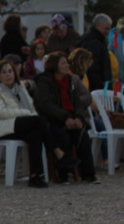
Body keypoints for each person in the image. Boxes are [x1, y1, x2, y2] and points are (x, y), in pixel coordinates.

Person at [0, 59, 82, 188]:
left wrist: (28, 114)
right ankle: (58, 153)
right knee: (39, 120)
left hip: (22, 124)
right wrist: (25, 113)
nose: (8, 75)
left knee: (35, 134)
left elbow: (32, 107)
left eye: (10, 71)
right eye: (4, 72)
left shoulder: (20, 89)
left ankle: (35, 176)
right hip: (4, 127)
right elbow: (1, 113)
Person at [31, 52, 100, 184]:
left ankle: (87, 173)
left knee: (82, 135)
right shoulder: (44, 82)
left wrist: (78, 118)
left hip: (71, 118)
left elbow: (77, 103)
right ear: (54, 65)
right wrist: (65, 118)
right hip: (53, 120)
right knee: (62, 136)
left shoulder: (70, 81)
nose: (67, 65)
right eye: (63, 63)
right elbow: (46, 105)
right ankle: (63, 173)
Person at [79, 14, 113, 91]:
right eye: (106, 29)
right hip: (96, 86)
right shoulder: (93, 42)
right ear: (97, 25)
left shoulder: (97, 40)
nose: (108, 32)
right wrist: (101, 85)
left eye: (109, 29)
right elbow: (93, 67)